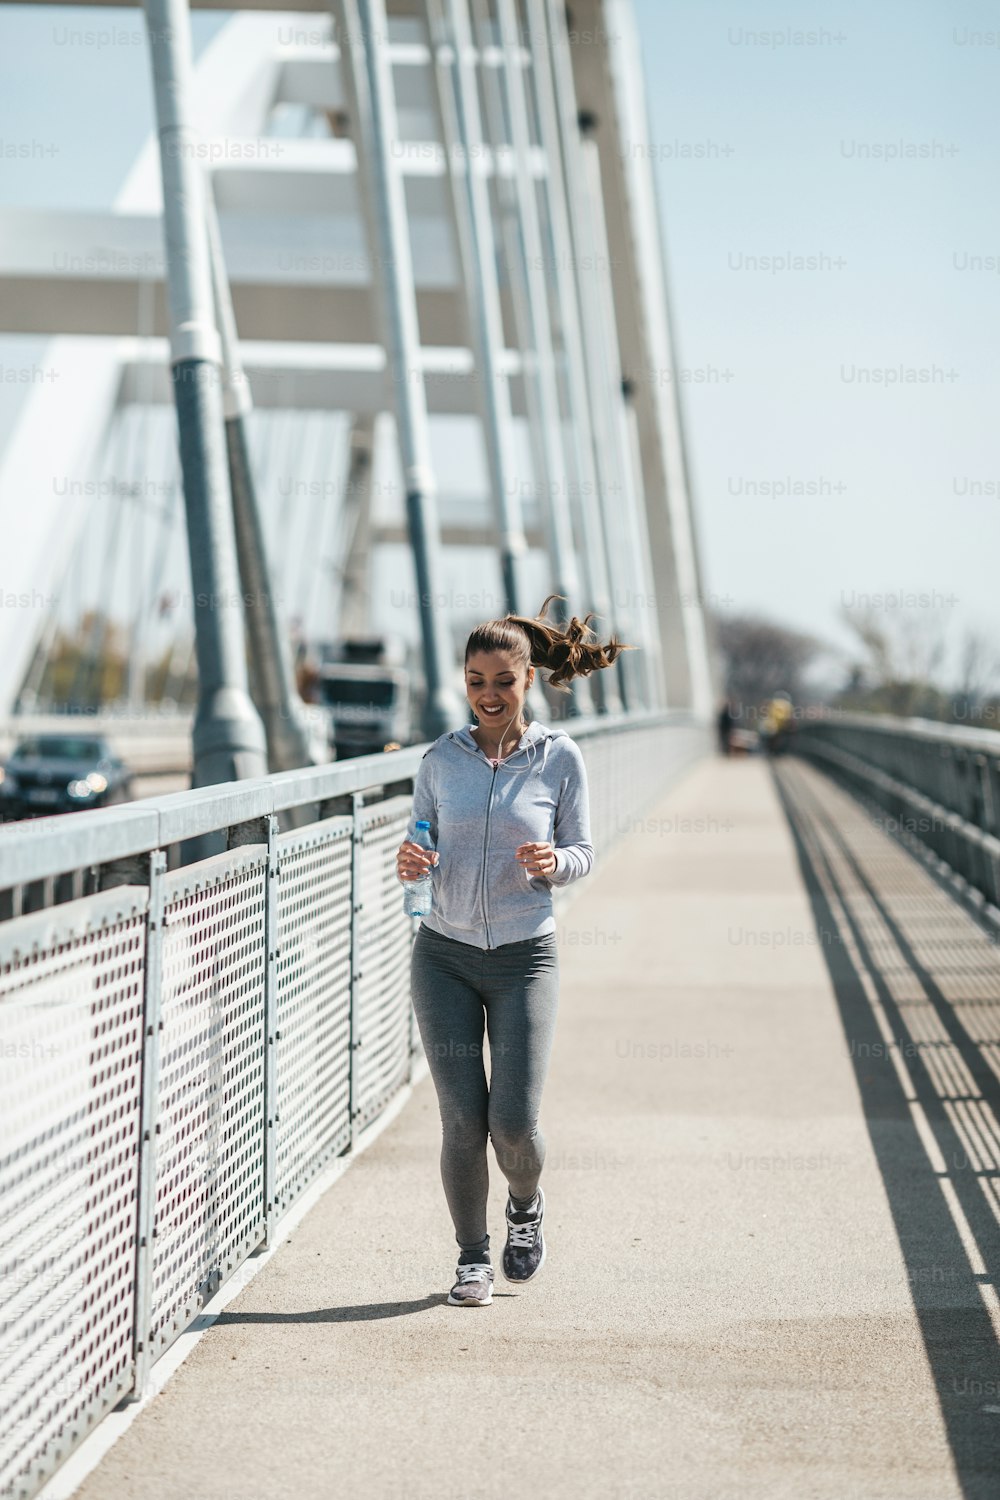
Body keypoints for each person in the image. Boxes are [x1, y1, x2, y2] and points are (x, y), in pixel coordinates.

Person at [396, 596, 632, 1308]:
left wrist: (553, 864)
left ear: (528, 680)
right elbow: (422, 843)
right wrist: (410, 862)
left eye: (502, 680)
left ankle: (525, 1207)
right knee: (463, 1120)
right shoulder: (441, 759)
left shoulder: (559, 759)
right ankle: (472, 1260)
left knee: (513, 1124)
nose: (488, 694)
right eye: (475, 680)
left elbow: (585, 850)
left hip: (526, 958)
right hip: (443, 954)